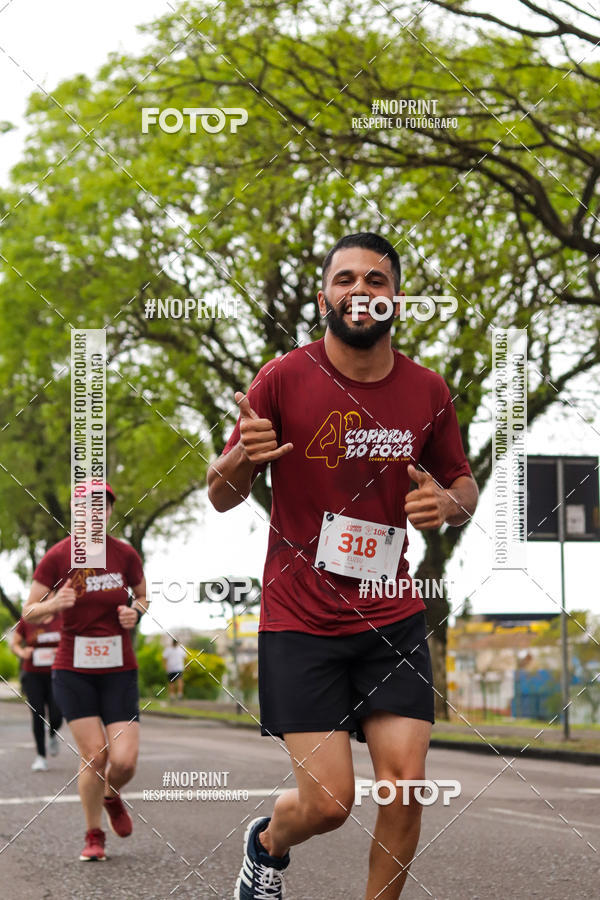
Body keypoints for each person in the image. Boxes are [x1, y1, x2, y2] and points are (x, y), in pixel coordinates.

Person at [207, 233, 479, 899]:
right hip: (302, 618)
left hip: (392, 614)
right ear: (325, 295)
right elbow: (220, 493)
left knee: (406, 786)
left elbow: (464, 486)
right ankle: (267, 842)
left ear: (396, 298)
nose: (362, 290)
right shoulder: (281, 379)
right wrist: (245, 455)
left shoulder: (427, 390)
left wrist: (445, 503)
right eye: (346, 278)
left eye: (377, 280)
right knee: (329, 804)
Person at [22, 482, 148, 862]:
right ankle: (94, 834)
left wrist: (135, 612)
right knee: (95, 754)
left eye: (103, 507)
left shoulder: (125, 555)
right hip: (73, 669)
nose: (95, 514)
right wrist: (53, 603)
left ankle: (111, 795)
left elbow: (142, 595)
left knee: (123, 760)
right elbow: (28, 611)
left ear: (110, 512)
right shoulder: (58, 557)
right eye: (87, 508)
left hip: (118, 669)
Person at [11, 610, 63, 771]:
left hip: (57, 674)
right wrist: (22, 652)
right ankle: (41, 756)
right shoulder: (27, 619)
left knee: (57, 714)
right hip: (33, 675)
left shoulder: (62, 617)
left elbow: (72, 641)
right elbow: (15, 644)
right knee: (37, 713)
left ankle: (53, 733)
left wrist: (61, 651)